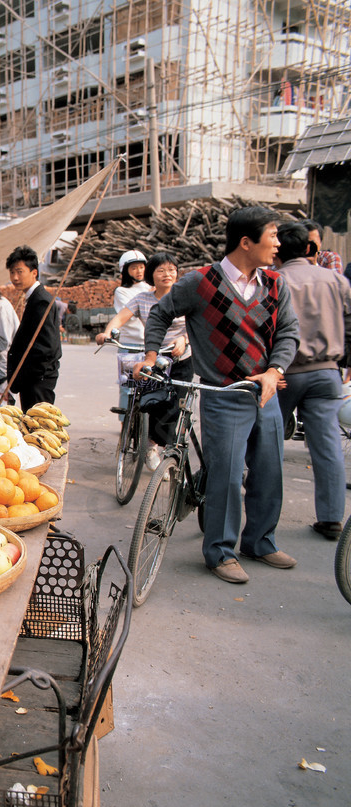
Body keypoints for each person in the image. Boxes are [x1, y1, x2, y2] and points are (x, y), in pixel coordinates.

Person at [138, 206, 300, 585]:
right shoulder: (200, 282)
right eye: (272, 236)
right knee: (225, 478)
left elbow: (288, 333)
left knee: (269, 472)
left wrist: (274, 372)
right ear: (246, 242)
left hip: (265, 393)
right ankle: (220, 552)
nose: (278, 244)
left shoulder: (276, 284)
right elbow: (161, 314)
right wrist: (150, 354)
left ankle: (260, 542)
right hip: (223, 394)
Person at [274, 222, 351, 541]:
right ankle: (332, 518)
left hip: (283, 373)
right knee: (327, 444)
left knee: (267, 441)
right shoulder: (335, 279)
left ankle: (262, 515)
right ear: (309, 249)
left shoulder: (275, 280)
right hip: (327, 372)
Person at [97, 252, 192, 469]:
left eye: (171, 270)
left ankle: (167, 451)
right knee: (152, 402)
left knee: (175, 405)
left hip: (180, 358)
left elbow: (197, 325)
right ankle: (150, 446)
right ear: (152, 275)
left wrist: (184, 339)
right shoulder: (142, 298)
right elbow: (120, 318)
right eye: (160, 270)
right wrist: (107, 332)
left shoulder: (184, 296)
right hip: (151, 358)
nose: (167, 274)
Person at [5, 246, 62, 410]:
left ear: (34, 272)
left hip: (38, 381)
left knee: (39, 428)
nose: (15, 277)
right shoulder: (32, 298)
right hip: (32, 379)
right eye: (12, 273)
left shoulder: (41, 300)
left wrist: (31, 376)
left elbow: (46, 347)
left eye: (19, 272)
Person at [110, 250, 152, 416]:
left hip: (150, 344)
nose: (139, 271)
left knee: (150, 385)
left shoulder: (151, 288)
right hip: (129, 344)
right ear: (125, 271)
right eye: (134, 268)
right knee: (127, 386)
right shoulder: (122, 291)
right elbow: (132, 313)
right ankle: (124, 423)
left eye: (141, 267)